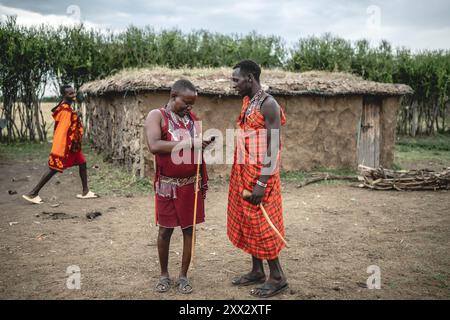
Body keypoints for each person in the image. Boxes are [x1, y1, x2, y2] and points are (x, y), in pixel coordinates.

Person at [144, 79, 212, 294]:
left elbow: (196, 148)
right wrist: (192, 143)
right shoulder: (157, 116)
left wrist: (204, 144)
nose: (190, 108)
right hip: (168, 185)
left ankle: (183, 275)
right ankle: (164, 274)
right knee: (165, 231)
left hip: (191, 185)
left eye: (192, 104)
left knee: (189, 229)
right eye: (186, 102)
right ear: (174, 96)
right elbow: (154, 146)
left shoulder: (191, 119)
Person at [227, 60, 288, 298]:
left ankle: (277, 276)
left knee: (262, 223)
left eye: (236, 80)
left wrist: (262, 183)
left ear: (250, 78)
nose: (233, 85)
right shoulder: (248, 102)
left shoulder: (269, 104)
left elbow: (274, 147)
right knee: (249, 221)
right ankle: (257, 270)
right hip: (244, 172)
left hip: (262, 175)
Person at [22, 85, 97, 204]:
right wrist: (76, 118)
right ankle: (33, 193)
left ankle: (85, 191)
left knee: (82, 163)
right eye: (70, 94)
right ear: (64, 95)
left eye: (74, 93)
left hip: (72, 146)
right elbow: (63, 130)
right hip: (66, 146)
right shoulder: (66, 110)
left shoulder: (64, 107)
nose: (73, 95)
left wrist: (75, 117)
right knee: (53, 169)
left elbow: (67, 125)